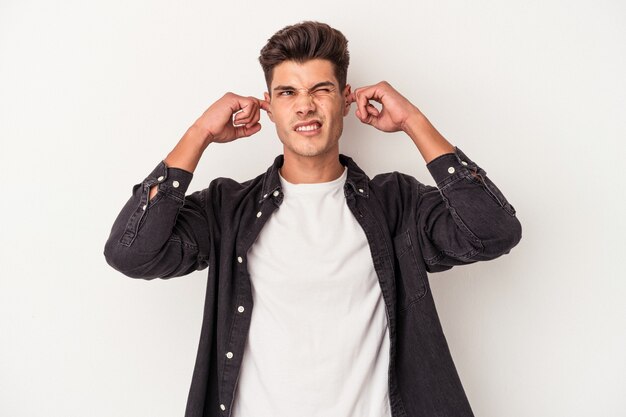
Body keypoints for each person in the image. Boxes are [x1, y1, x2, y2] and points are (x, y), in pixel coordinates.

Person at [104, 21, 521, 417]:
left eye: (320, 89)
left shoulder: (396, 204)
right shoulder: (227, 209)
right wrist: (198, 134)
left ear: (345, 98)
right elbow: (132, 253)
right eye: (287, 92)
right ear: (268, 106)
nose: (305, 105)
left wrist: (415, 122)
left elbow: (493, 232)